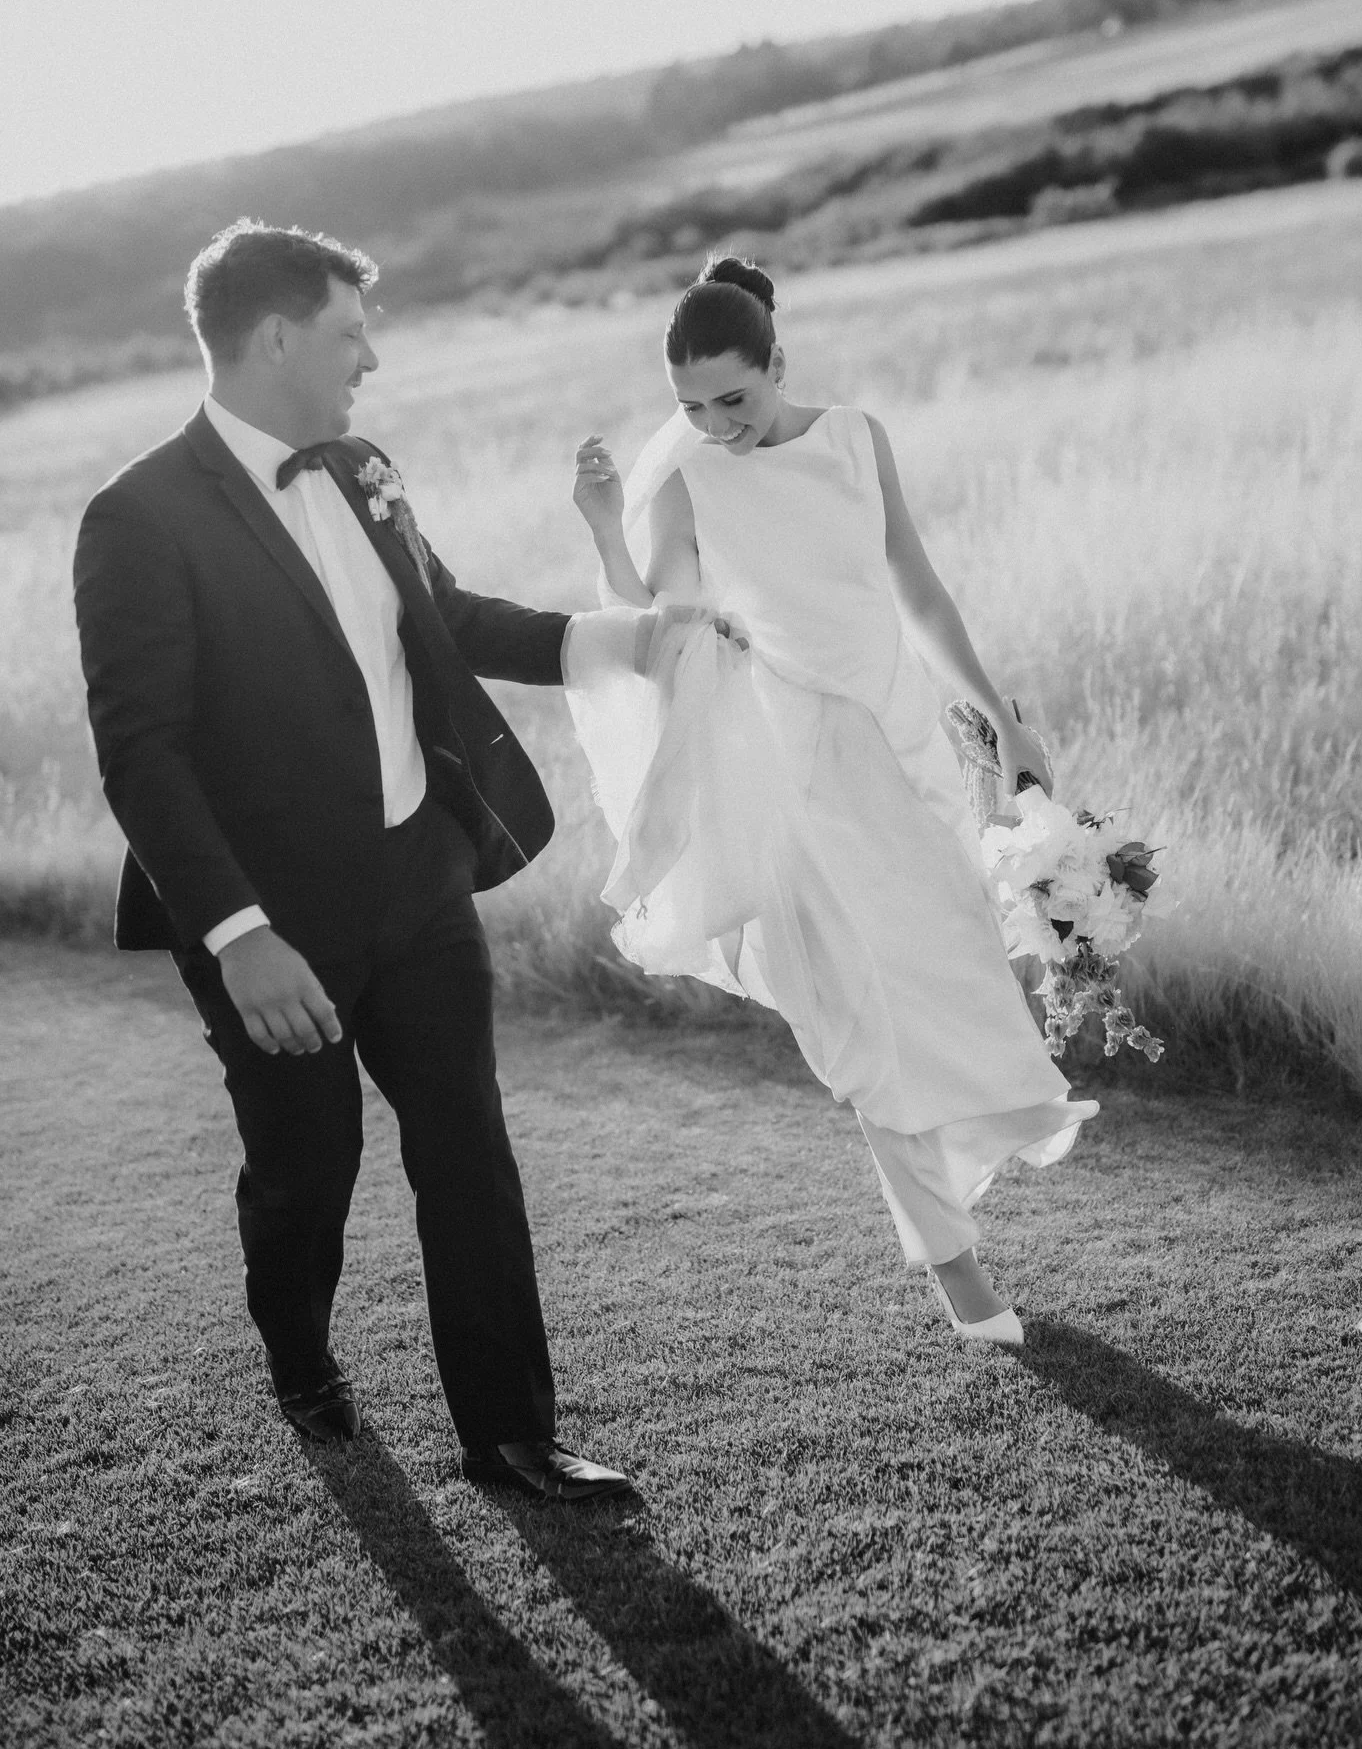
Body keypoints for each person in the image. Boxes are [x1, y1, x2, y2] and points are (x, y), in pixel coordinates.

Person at [73, 219, 629, 1501]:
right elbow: (141, 752)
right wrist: (237, 935)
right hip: (273, 925)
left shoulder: (365, 465)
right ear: (274, 339)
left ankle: (512, 1437)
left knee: (467, 1151)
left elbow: (449, 616)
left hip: (419, 880)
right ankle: (300, 1359)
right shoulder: (137, 516)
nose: (368, 358)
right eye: (348, 332)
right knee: (305, 1170)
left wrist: (621, 643)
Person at [568, 254, 1097, 1342]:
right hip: (785, 767)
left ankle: (958, 1189)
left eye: (735, 400)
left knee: (952, 981)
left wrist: (1001, 718)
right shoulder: (687, 477)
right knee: (855, 1011)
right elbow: (661, 617)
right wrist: (603, 523)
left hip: (903, 751)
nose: (715, 426)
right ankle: (959, 1276)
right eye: (691, 407)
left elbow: (918, 587)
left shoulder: (856, 437)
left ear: (778, 363)